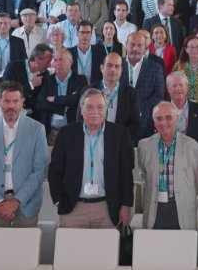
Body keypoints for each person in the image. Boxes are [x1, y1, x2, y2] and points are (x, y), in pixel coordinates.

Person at [48, 88, 135, 229]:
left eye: (100, 107)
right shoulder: (66, 133)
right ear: (81, 109)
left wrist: (126, 205)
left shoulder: (120, 134)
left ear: (106, 109)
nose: (95, 111)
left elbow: (126, 174)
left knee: (107, 245)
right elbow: (55, 171)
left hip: (108, 208)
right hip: (73, 208)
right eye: (89, 107)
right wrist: (58, 201)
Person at [0, 82, 50, 228]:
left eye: (15, 101)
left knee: (26, 243)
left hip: (26, 203)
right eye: (7, 101)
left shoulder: (37, 129)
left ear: (23, 102)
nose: (11, 106)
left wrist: (17, 201)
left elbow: (40, 170)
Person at [136, 101, 198, 230]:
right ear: (154, 122)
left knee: (182, 243)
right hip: (154, 208)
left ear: (177, 119)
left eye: (169, 117)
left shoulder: (192, 147)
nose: (164, 123)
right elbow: (144, 177)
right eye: (159, 118)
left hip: (182, 209)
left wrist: (183, 191)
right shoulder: (144, 146)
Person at [36, 48, 88, 144]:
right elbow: (40, 103)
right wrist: (63, 108)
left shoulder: (80, 80)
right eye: (55, 60)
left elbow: (77, 99)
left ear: (71, 62)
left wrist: (54, 99)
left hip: (73, 131)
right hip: (52, 132)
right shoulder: (48, 80)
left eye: (61, 59)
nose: (57, 63)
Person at [122, 32, 165, 139]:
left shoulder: (156, 68)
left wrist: (139, 108)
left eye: (139, 45)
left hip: (145, 123)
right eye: (132, 44)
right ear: (126, 45)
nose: (135, 48)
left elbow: (159, 95)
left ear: (145, 47)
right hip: (119, 122)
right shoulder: (117, 65)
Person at [166, 71, 198, 161]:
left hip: (192, 161)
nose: (178, 89)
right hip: (167, 159)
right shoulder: (160, 111)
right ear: (168, 89)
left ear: (187, 88)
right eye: (174, 86)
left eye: (181, 85)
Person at [98, 52, 143, 139]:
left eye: (117, 66)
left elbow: (135, 124)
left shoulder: (131, 94)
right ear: (101, 68)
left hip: (120, 142)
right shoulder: (89, 90)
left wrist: (120, 140)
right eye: (109, 65)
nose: (113, 69)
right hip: (94, 140)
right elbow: (81, 118)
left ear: (121, 70)